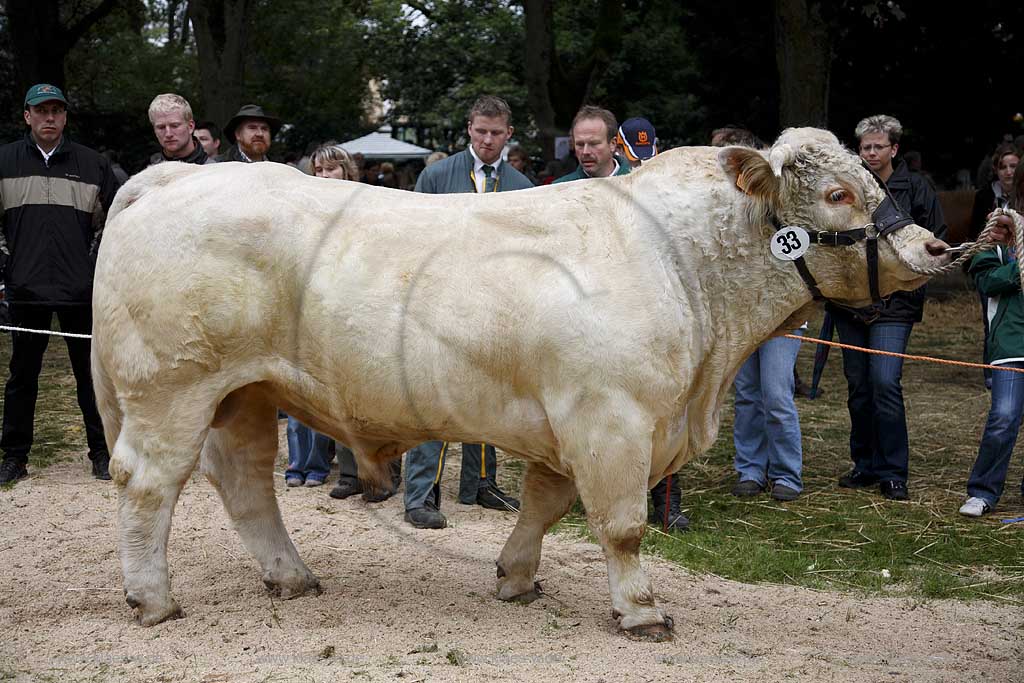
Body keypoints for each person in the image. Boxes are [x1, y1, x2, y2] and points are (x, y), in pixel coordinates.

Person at [403, 94, 532, 529]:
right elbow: (412, 240)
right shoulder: (436, 177)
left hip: (497, 311)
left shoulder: (522, 187)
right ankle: (421, 494)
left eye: (497, 133)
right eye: (481, 132)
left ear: (509, 134)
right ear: (469, 129)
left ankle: (479, 483)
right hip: (438, 307)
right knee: (432, 400)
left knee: (489, 397)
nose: (488, 140)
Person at [0, 84, 122, 485]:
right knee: (22, 376)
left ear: (66, 117)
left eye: (56, 110)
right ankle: (15, 456)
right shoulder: (5, 161)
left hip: (80, 291)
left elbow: (116, 226)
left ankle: (102, 452)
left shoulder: (92, 164)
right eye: (41, 110)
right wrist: (7, 268)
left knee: (91, 375)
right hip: (25, 289)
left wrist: (95, 269)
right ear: (27, 116)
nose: (49, 117)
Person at [832, 115, 946, 501]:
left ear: (893, 149)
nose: (871, 152)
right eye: (865, 147)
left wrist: (907, 283)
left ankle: (894, 471)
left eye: (878, 146)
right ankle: (865, 464)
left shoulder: (914, 187)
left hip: (896, 305)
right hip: (850, 303)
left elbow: (936, 241)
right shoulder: (849, 189)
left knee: (884, 382)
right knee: (858, 387)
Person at [707, 127, 806, 502]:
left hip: (782, 315)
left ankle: (787, 474)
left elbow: (796, 259)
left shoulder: (781, 198)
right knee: (746, 393)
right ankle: (750, 468)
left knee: (776, 393)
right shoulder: (718, 209)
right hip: (741, 315)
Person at [960, 164, 1024, 517]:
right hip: (1011, 345)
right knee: (1004, 416)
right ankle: (983, 491)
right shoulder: (990, 249)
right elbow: (988, 284)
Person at [968, 143, 1021, 390]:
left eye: (1014, 167)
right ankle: (992, 368)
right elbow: (979, 236)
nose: (1008, 172)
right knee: (992, 318)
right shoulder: (987, 200)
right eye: (1004, 167)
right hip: (1000, 269)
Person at [553, 106, 631, 183]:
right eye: (580, 144)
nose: (585, 152)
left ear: (612, 144)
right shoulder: (559, 189)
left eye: (593, 144)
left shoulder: (636, 184)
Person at [147, 94, 213, 166]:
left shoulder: (214, 171)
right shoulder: (146, 172)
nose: (168, 134)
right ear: (155, 131)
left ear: (190, 127)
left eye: (175, 126)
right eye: (161, 127)